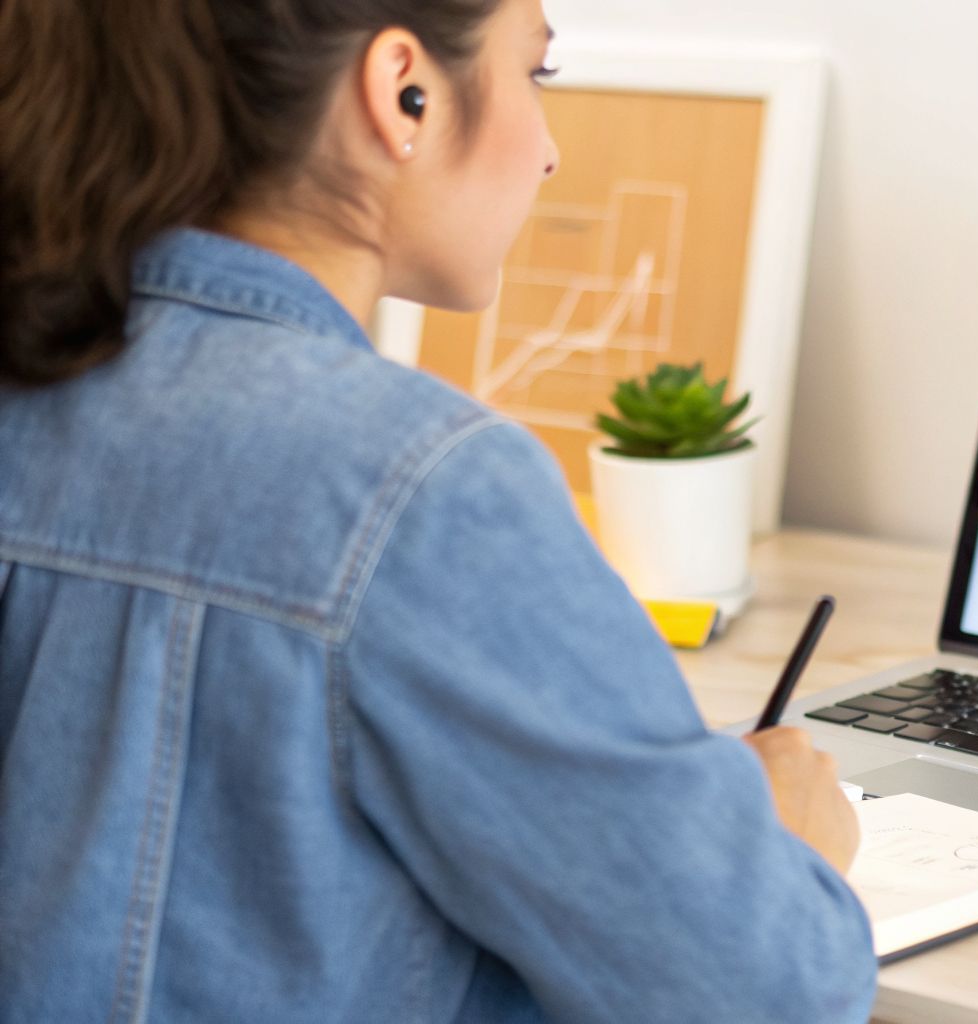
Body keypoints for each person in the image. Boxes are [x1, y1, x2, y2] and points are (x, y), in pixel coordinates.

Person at [0, 0, 876, 1020]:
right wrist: (789, 842)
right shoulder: (419, 485)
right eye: (535, 73)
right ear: (401, 91)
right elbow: (763, 994)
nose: (548, 152)